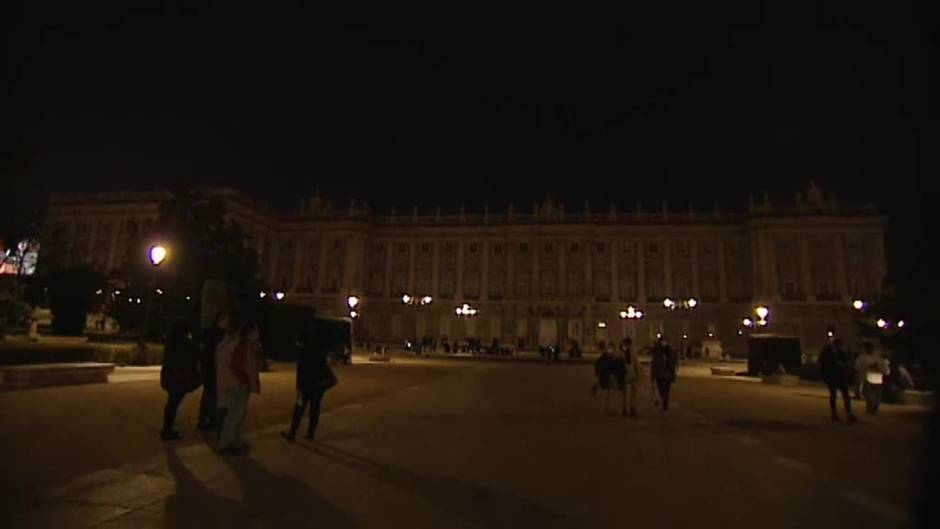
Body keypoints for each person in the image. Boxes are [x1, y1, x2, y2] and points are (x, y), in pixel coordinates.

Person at [282, 330, 337, 442]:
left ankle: (292, 433)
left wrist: (299, 388)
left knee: (299, 409)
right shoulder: (318, 350)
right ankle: (310, 434)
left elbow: (301, 372)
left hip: (305, 386)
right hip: (318, 386)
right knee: (314, 410)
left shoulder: (303, 353)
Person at [217, 321, 261, 453]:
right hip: (238, 384)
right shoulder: (240, 345)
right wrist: (245, 380)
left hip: (233, 383)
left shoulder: (234, 343)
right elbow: (237, 365)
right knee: (235, 415)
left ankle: (233, 441)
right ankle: (227, 443)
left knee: (235, 414)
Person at [160, 321, 201, 441]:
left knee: (171, 404)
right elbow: (195, 352)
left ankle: (167, 428)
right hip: (179, 378)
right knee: (173, 403)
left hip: (171, 378)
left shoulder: (171, 343)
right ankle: (167, 430)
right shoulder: (184, 343)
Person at [197, 312, 229, 433]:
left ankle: (205, 419)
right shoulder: (217, 335)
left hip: (209, 367)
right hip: (213, 367)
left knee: (208, 394)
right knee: (211, 395)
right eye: (225, 320)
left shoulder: (209, 333)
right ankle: (209, 420)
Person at [818, 338, 857, 423]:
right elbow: (821, 360)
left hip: (839, 375)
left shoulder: (839, 352)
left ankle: (848, 413)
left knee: (844, 394)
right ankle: (835, 413)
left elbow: (845, 361)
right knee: (834, 394)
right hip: (831, 375)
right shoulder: (828, 350)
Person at [855, 342, 890, 415]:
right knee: (869, 395)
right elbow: (857, 367)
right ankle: (871, 407)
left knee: (875, 395)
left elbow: (884, 368)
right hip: (868, 378)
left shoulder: (878, 358)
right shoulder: (863, 357)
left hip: (877, 378)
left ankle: (873, 407)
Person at [592, 345, 626, 415]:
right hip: (610, 378)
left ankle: (610, 409)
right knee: (610, 393)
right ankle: (609, 409)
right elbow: (600, 369)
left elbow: (619, 369)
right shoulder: (607, 359)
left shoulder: (611, 359)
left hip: (613, 378)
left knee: (611, 393)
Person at [650, 336, 678, 417]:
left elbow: (672, 364)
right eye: (663, 341)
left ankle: (665, 409)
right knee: (661, 391)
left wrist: (673, 376)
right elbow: (654, 364)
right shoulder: (657, 352)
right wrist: (652, 376)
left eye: (665, 341)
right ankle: (660, 401)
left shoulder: (670, 352)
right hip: (660, 374)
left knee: (666, 393)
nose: (664, 342)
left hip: (668, 375)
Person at [621, 338, 639, 417]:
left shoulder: (632, 353)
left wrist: (637, 372)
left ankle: (632, 407)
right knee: (624, 393)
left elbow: (636, 363)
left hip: (631, 374)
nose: (627, 346)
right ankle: (624, 407)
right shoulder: (621, 353)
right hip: (624, 374)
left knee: (633, 391)